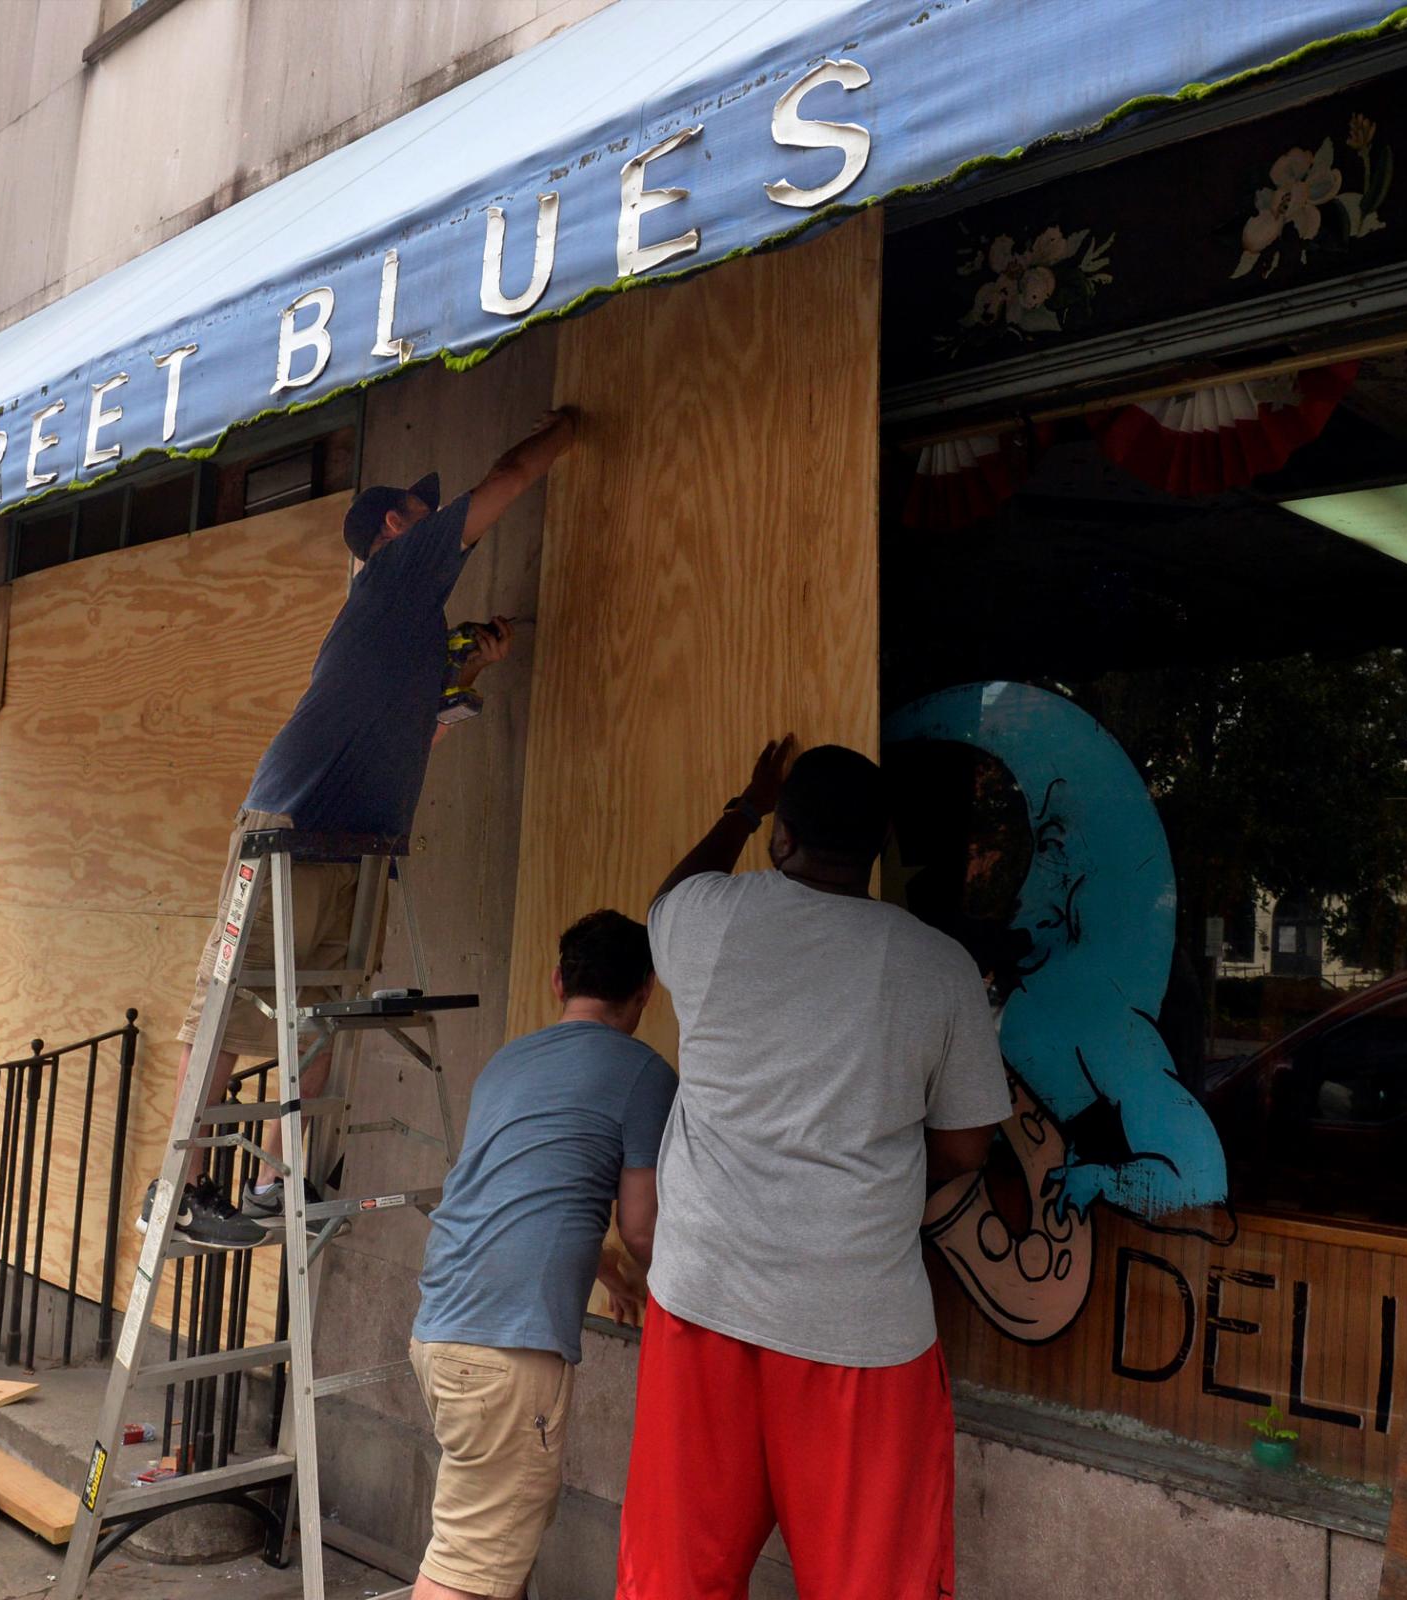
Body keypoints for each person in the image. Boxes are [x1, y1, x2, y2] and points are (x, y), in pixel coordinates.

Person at [143, 409, 577, 1248]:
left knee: (322, 1017)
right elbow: (510, 475)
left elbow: (417, 736)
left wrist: (469, 668)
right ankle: (180, 1192)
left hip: (356, 842)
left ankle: (279, 1181)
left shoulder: (406, 628)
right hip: (292, 827)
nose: (442, 526)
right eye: (424, 513)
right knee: (236, 1016)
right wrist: (573, 424)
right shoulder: (396, 576)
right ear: (395, 526)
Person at [616, 738, 1013, 1600]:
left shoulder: (712, 919)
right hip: (857, 1327)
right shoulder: (937, 967)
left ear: (783, 839)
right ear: (880, 848)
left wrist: (745, 805)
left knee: (677, 1577)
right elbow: (964, 1146)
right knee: (872, 1581)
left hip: (702, 1303)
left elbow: (667, 897)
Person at [409, 910, 677, 1600]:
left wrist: (609, 1271)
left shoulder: (509, 1061)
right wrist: (685, 1297)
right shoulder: (644, 1074)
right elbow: (644, 1227)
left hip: (443, 1329)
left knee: (497, 1547)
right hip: (505, 1353)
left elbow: (530, 1191)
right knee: (468, 1569)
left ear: (559, 980)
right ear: (646, 993)